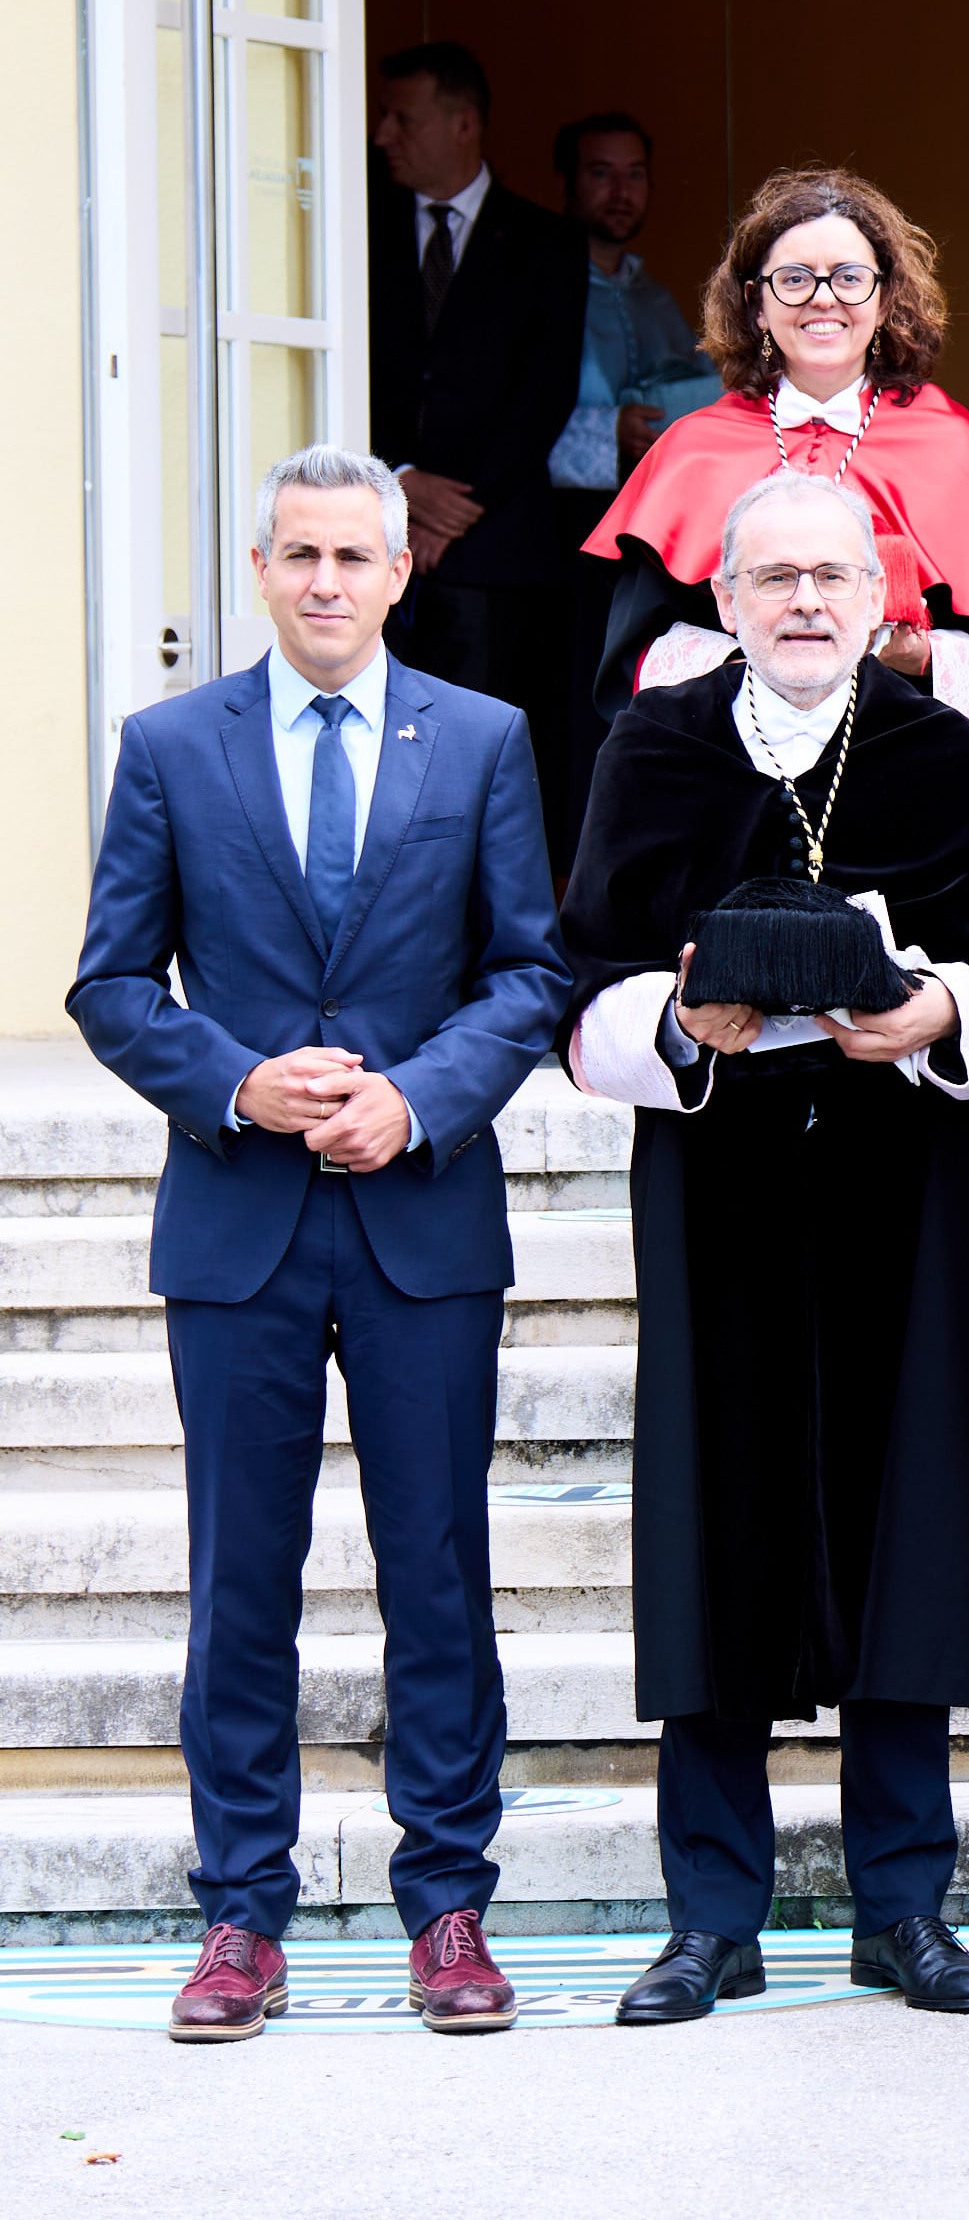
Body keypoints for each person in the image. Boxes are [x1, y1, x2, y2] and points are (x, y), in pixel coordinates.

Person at [69, 445, 570, 2041]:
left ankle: (450, 1909)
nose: (328, 582)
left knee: (440, 1573)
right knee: (241, 1577)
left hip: (423, 1215)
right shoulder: (169, 744)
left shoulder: (484, 737)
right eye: (299, 556)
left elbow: (526, 972)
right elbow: (111, 982)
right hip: (241, 1225)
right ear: (263, 565)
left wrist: (416, 1099)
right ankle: (239, 1917)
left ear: (399, 569)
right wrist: (237, 1080)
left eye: (355, 556)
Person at [556, 471, 969, 2025]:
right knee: (716, 1530)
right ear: (728, 600)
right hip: (720, 1186)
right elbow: (585, 990)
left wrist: (941, 1009)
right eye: (776, 576)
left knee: (907, 1532)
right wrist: (680, 1021)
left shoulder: (948, 760)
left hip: (900, 1179)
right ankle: (713, 1912)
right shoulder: (654, 747)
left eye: (834, 573)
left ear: (881, 596)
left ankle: (905, 1903)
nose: (808, 599)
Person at [587, 169, 969, 744]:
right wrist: (766, 665)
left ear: (885, 300)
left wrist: (918, 656)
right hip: (729, 765)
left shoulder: (949, 440)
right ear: (756, 305)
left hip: (898, 763)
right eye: (793, 279)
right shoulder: (693, 448)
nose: (822, 296)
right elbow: (629, 662)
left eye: (849, 277)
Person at [367, 40, 595, 743]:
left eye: (402, 119)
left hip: (495, 544)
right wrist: (399, 480)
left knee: (481, 750)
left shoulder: (546, 241)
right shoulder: (357, 224)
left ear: (463, 124)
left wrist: (449, 510)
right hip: (376, 529)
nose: (383, 136)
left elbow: (545, 394)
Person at [540, 108, 706, 844]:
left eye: (634, 174)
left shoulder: (654, 295)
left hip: (649, 539)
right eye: (601, 172)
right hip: (559, 539)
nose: (620, 191)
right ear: (568, 181)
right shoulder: (539, 281)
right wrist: (609, 431)